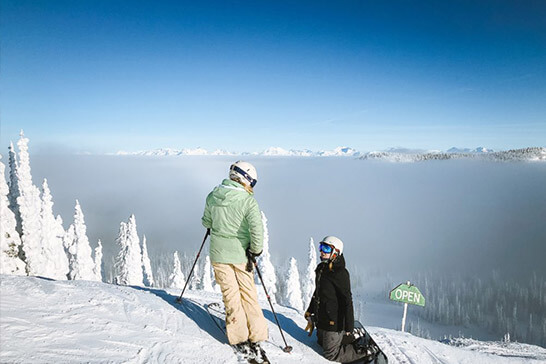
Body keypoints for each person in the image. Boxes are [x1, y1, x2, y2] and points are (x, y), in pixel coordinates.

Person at [201, 160, 268, 358]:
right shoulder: (248, 201)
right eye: (252, 183)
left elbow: (206, 221)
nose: (251, 187)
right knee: (248, 294)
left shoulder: (213, 195)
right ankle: (256, 335)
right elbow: (257, 229)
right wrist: (255, 251)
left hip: (219, 255)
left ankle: (238, 337)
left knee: (230, 295)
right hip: (241, 256)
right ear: (245, 179)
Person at [304, 236, 376, 363]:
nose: (321, 251)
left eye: (326, 248)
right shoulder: (322, 269)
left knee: (330, 355)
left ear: (336, 252)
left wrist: (348, 327)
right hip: (323, 318)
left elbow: (347, 300)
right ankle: (348, 338)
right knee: (320, 342)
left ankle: (364, 350)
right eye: (321, 247)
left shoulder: (340, 273)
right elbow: (318, 292)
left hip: (334, 321)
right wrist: (310, 311)